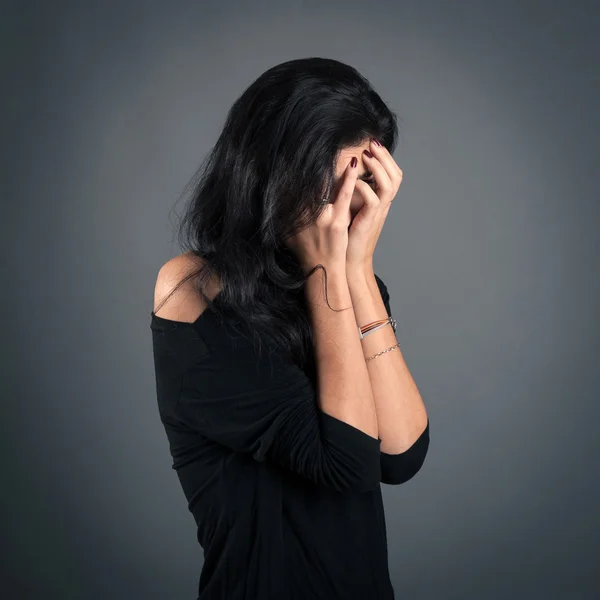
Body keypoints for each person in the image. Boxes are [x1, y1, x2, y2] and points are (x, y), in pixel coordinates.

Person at [150, 57, 430, 600]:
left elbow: (400, 455)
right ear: (273, 171)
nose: (345, 204)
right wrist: (331, 271)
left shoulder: (345, 282)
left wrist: (355, 269)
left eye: (363, 181)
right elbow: (347, 463)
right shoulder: (191, 292)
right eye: (335, 180)